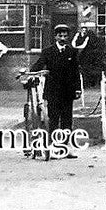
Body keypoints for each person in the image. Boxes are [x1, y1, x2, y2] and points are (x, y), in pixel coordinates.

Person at [29, 23, 82, 157]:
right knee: (53, 119)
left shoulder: (72, 51)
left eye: (65, 36)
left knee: (67, 120)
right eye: (60, 36)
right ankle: (52, 147)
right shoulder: (48, 51)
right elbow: (38, 65)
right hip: (53, 90)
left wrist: (77, 89)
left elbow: (76, 72)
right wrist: (34, 73)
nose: (63, 38)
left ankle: (65, 148)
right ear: (55, 36)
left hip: (67, 91)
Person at [71, 20, 106, 102]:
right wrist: (75, 48)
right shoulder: (77, 35)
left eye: (85, 30)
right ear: (81, 30)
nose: (84, 31)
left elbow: (84, 45)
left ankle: (87, 84)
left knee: (86, 69)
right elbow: (73, 43)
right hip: (77, 54)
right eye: (82, 30)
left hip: (86, 55)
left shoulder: (87, 37)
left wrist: (78, 48)